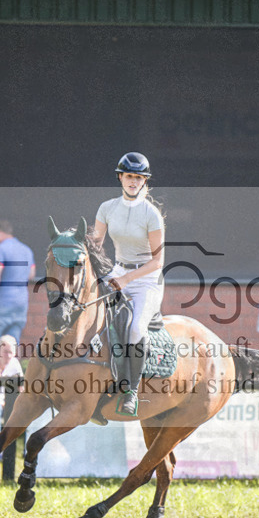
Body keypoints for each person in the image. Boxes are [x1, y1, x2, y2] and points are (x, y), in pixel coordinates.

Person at [92, 152, 165, 416]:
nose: (133, 181)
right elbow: (95, 246)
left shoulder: (151, 214)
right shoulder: (107, 208)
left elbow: (158, 261)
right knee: (95, 319)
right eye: (128, 176)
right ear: (120, 177)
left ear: (144, 181)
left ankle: (131, 391)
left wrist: (125, 279)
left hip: (147, 280)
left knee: (135, 329)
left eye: (138, 177)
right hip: (118, 271)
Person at [0, 219, 35, 346]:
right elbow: (31, 274)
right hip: (21, 303)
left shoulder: (0, 250)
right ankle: (13, 365)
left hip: (2, 302)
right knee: (12, 344)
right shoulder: (26, 250)